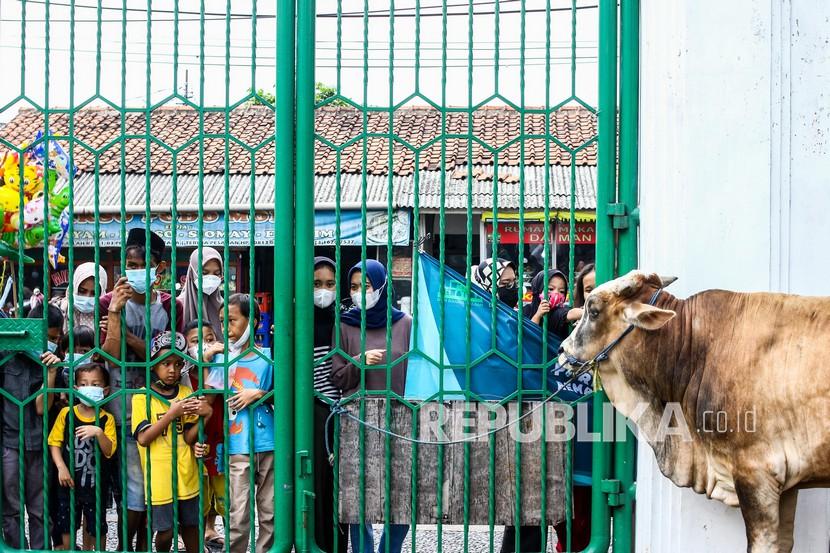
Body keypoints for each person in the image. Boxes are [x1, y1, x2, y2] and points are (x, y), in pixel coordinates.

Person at [99, 227, 183, 551]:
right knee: (132, 485)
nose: (134, 271)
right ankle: (126, 546)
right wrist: (115, 312)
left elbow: (167, 356)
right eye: (129, 264)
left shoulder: (169, 305)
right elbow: (112, 353)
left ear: (158, 269)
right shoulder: (109, 301)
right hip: (123, 404)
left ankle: (144, 545)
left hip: (160, 405)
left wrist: (143, 346)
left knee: (154, 485)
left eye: (142, 264)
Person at [331, 259, 412, 553]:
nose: (357, 292)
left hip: (399, 420)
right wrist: (358, 362)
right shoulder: (345, 325)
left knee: (401, 497)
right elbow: (337, 376)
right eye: (353, 287)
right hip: (357, 419)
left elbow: (416, 370)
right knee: (359, 497)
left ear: (380, 286)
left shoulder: (404, 323)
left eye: (364, 286)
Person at [205, 293, 275, 553]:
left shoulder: (269, 357)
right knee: (238, 512)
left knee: (269, 511)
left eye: (232, 321)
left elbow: (285, 393)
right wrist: (207, 352)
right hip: (236, 444)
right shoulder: (222, 360)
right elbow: (207, 394)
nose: (226, 329)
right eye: (222, 322)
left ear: (254, 322)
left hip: (269, 443)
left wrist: (259, 393)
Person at [132, 331, 212, 553]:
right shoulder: (142, 396)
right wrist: (171, 414)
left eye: (177, 364)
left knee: (191, 526)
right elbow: (143, 438)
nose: (172, 370)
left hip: (187, 474)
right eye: (165, 363)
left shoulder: (186, 392)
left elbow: (188, 436)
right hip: (159, 480)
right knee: (165, 531)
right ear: (153, 365)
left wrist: (207, 415)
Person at [0, 303, 63, 550]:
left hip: (38, 444)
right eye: (47, 338)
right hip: (9, 442)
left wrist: (50, 373)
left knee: (39, 509)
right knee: (11, 508)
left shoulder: (53, 362)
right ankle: (16, 549)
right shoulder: (8, 356)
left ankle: (39, 550)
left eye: (55, 339)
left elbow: (41, 408)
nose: (51, 343)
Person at [48, 362, 117, 550]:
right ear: (76, 389)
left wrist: (98, 432)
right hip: (68, 483)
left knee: (98, 527)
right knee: (68, 525)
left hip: (96, 486)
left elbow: (109, 450)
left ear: (106, 390)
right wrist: (61, 467)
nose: (89, 389)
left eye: (95, 385)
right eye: (84, 384)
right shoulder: (66, 413)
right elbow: (54, 442)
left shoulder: (106, 419)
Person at [312, 257, 348, 552]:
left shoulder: (344, 320)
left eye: (329, 284)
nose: (323, 290)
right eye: (316, 284)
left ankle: (336, 545)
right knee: (313, 484)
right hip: (311, 412)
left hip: (343, 412)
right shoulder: (296, 320)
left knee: (340, 486)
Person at [183, 319, 226, 548]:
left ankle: (219, 532)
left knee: (224, 493)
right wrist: (205, 361)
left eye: (209, 339)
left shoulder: (221, 367)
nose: (204, 344)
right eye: (196, 341)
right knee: (199, 493)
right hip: (195, 440)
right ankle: (197, 542)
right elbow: (205, 403)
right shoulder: (184, 375)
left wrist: (210, 362)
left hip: (220, 438)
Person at [180, 247, 224, 339]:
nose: (211, 278)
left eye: (217, 274)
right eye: (204, 273)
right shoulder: (178, 305)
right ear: (193, 273)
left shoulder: (224, 306)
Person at [54, 262, 108, 334]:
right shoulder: (60, 310)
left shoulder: (107, 314)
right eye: (82, 291)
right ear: (74, 288)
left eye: (94, 293)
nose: (87, 297)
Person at [523, 269, 571, 340]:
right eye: (550, 289)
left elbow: (572, 314)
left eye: (562, 291)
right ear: (538, 289)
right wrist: (538, 315)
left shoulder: (562, 310)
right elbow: (527, 336)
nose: (556, 294)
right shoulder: (527, 310)